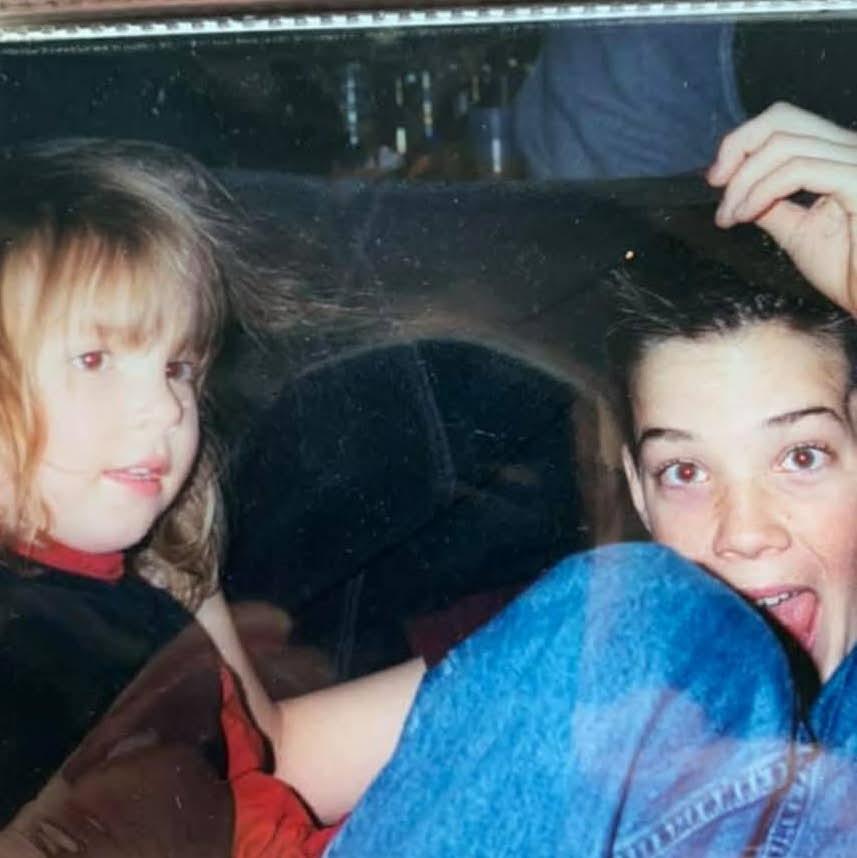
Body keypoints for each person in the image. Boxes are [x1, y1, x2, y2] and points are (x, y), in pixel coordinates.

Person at [322, 103, 857, 855]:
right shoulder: (603, 652)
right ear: (637, 490)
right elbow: (265, 747)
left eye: (800, 457)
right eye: (684, 471)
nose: (743, 532)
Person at [0, 138, 422, 858]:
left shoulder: (156, 574)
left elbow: (269, 758)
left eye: (178, 367)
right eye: (94, 359)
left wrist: (495, 681)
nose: (167, 408)